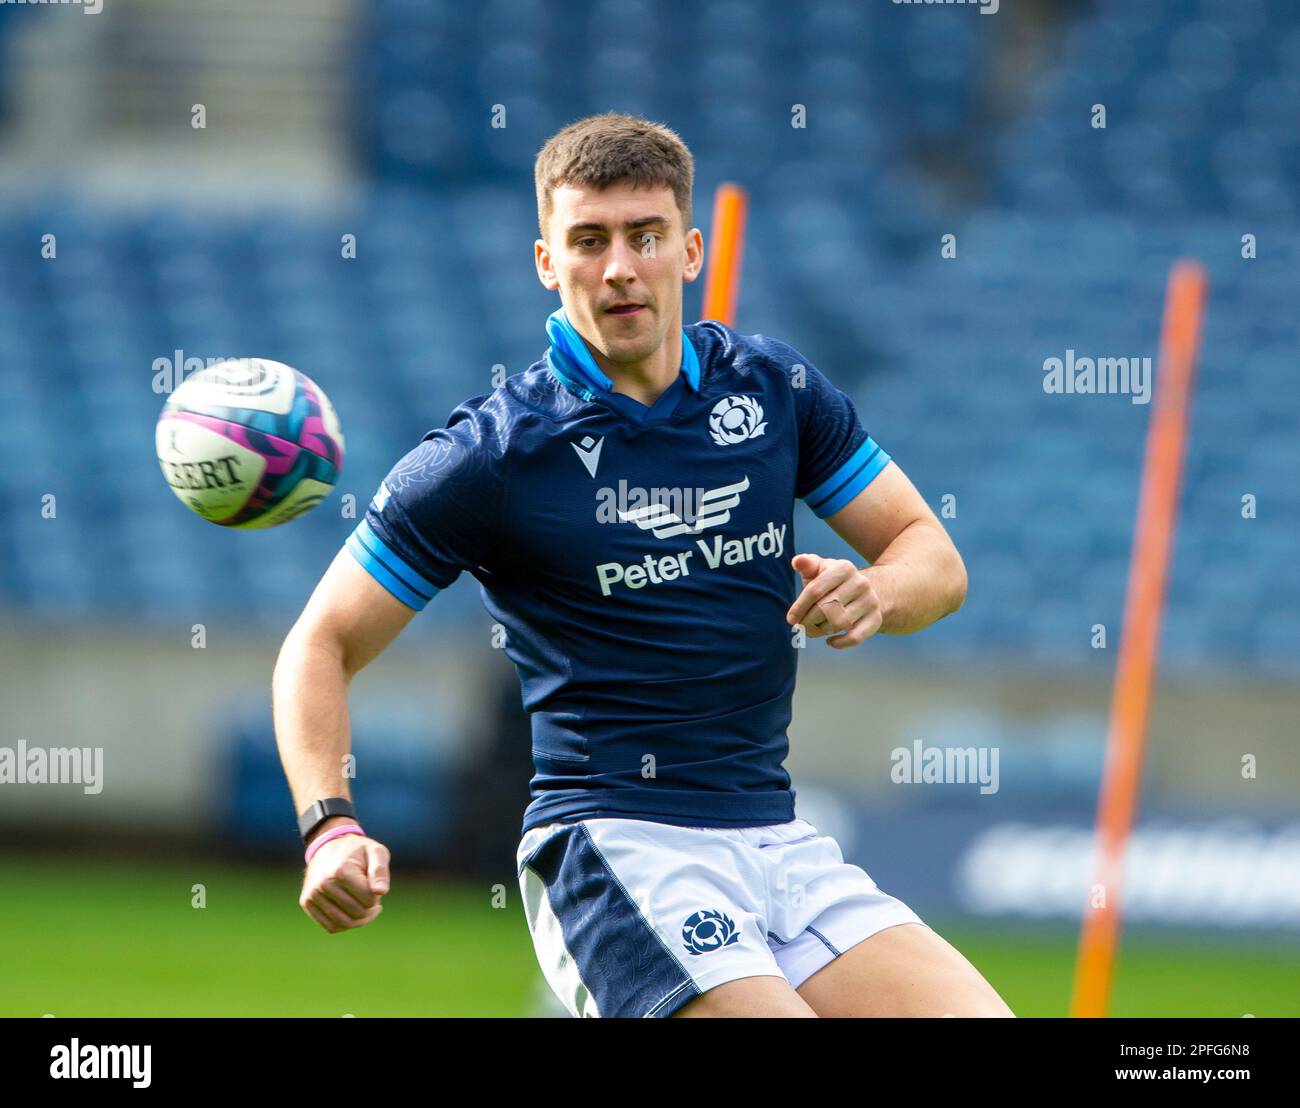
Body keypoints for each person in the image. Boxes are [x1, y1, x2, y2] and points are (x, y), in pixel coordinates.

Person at [273, 112, 1013, 1018]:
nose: (619, 266)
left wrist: (877, 593)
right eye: (588, 241)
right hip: (614, 846)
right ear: (548, 262)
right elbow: (321, 642)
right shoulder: (493, 454)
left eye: (644, 236)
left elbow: (933, 559)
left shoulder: (775, 390)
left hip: (775, 840)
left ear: (689, 249)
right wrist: (329, 827)